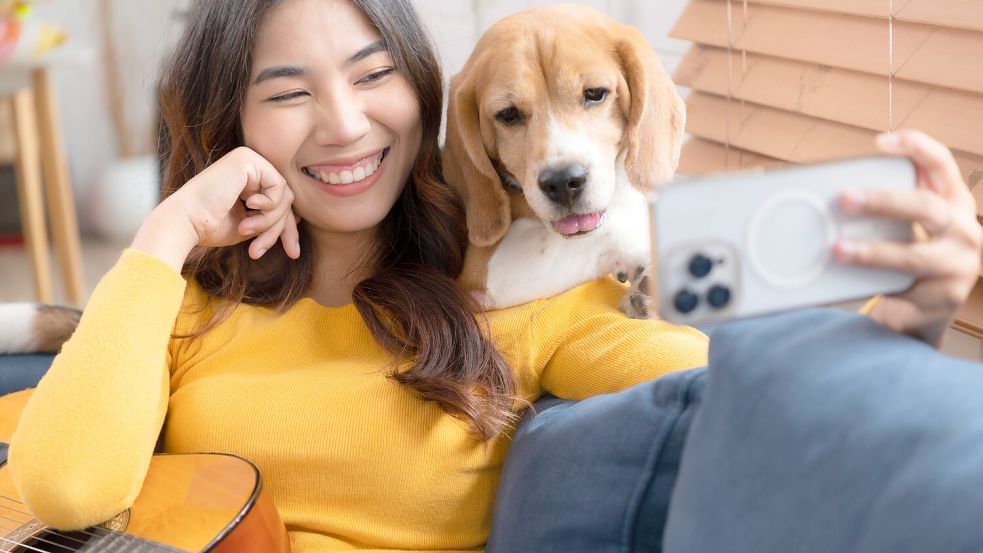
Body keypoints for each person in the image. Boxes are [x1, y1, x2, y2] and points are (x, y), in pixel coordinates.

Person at [5, 0, 981, 551]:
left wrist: (903, 314)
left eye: (371, 72)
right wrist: (168, 230)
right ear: (234, 129)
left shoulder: (525, 298)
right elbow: (67, 481)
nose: (344, 124)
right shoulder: (179, 303)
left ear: (421, 90)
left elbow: (726, 378)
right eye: (289, 93)